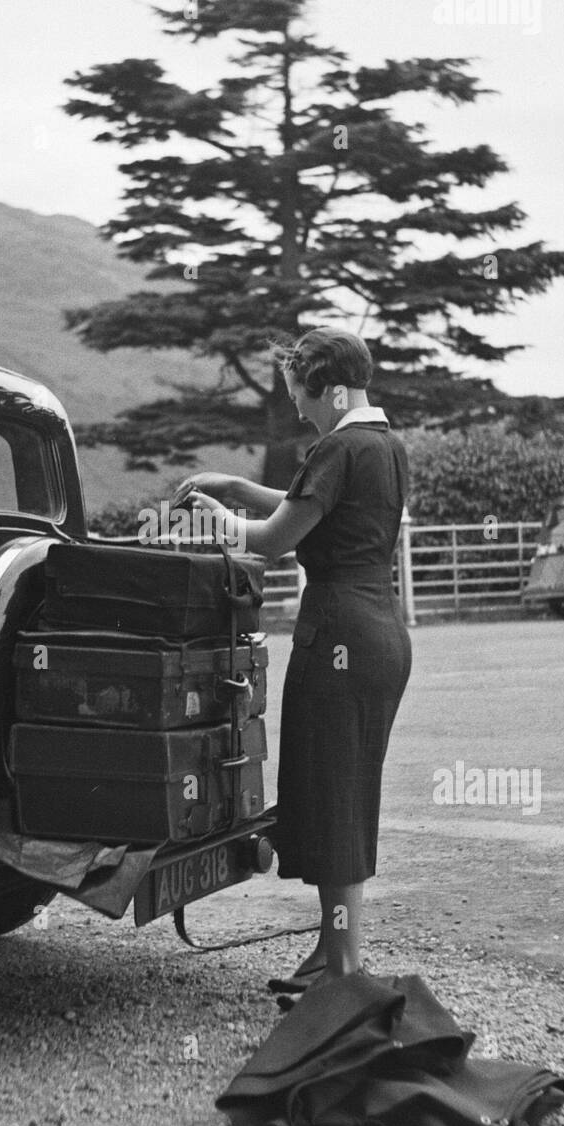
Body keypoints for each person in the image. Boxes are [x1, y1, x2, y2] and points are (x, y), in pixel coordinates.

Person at [173, 327, 411, 991]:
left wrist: (218, 514)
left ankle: (343, 975)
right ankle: (333, 955)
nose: (299, 412)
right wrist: (237, 485)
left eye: (302, 399)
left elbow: (275, 541)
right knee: (341, 793)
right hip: (380, 635)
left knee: (334, 800)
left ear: (329, 389)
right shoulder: (383, 443)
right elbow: (310, 508)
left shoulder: (337, 446)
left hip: (338, 638)